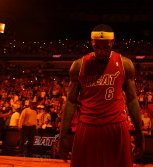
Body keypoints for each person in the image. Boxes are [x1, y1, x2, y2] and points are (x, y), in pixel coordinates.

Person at [58, 24, 144, 167]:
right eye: (97, 47)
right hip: (87, 126)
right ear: (91, 43)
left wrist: (139, 133)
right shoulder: (78, 65)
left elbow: (132, 99)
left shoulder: (125, 64)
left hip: (116, 126)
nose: (101, 51)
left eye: (105, 47)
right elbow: (71, 101)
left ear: (113, 43)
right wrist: (62, 135)